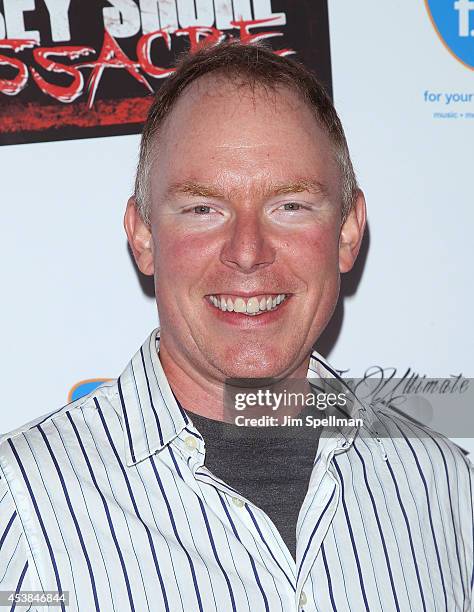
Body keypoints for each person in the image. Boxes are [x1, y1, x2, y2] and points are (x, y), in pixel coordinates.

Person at [0, 40, 472, 612]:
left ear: (348, 233)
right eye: (205, 209)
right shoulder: (21, 502)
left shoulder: (440, 486)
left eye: (290, 206)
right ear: (144, 237)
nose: (248, 252)